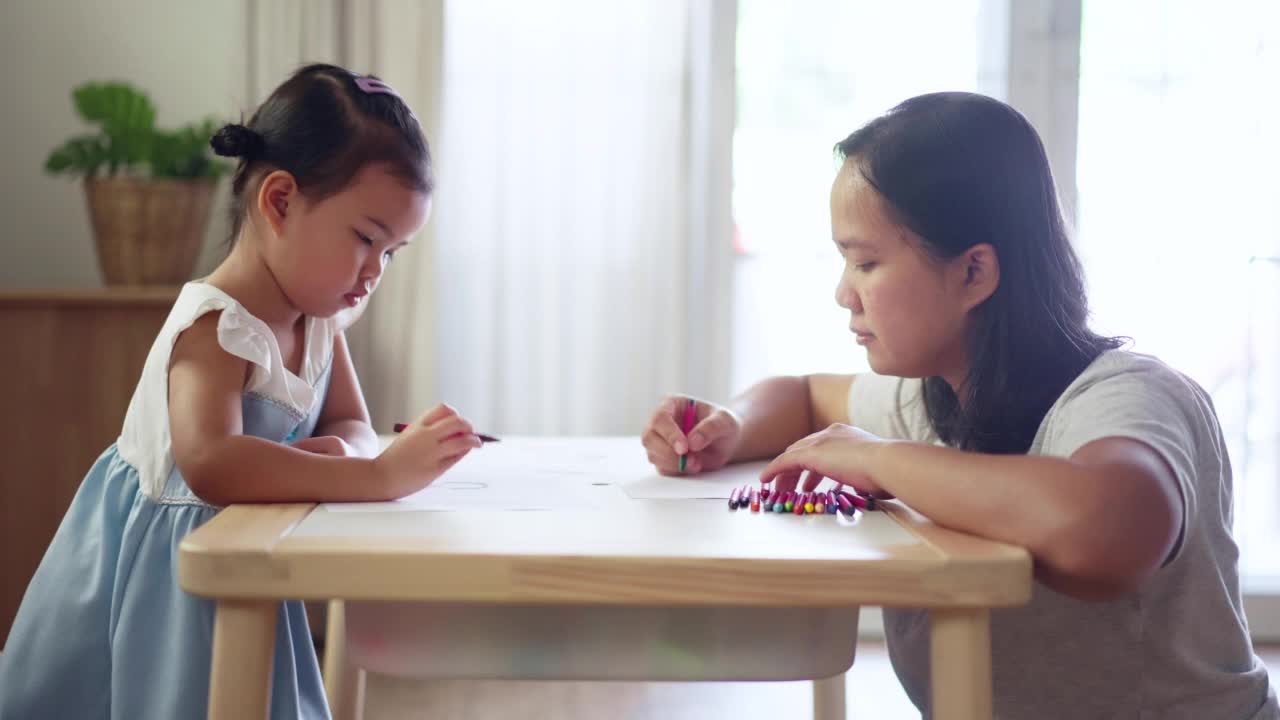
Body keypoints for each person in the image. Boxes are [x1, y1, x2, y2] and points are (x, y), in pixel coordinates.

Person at [641, 91, 1278, 719]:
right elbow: (803, 397)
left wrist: (881, 462)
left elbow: (1105, 535)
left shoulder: (1128, 397)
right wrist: (729, 424)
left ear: (974, 274)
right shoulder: (936, 396)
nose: (843, 294)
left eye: (865, 263)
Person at [0, 63, 482, 720]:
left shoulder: (320, 320)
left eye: (393, 253)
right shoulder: (215, 327)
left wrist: (340, 456)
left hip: (249, 556)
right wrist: (376, 478)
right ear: (279, 201)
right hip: (166, 580)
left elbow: (353, 424)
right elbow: (212, 462)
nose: (375, 272)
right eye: (366, 239)